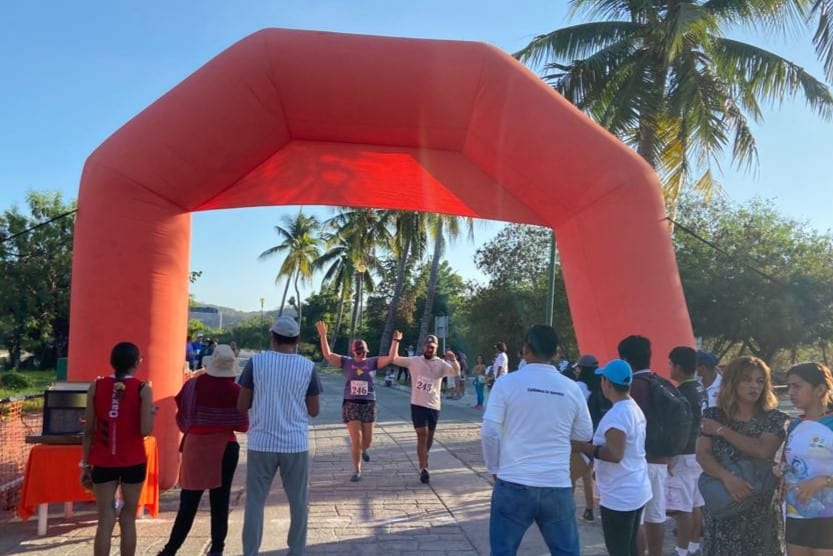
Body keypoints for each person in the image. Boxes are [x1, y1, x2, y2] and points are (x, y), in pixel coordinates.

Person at [482, 324, 593, 556]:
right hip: (557, 484)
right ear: (556, 354)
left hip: (513, 480)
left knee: (503, 551)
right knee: (567, 551)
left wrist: (494, 467)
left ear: (526, 349)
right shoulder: (571, 388)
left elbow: (490, 431)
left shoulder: (506, 384)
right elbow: (584, 434)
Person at [238, 316, 323, 556]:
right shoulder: (307, 367)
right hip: (295, 443)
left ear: (273, 338)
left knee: (255, 501)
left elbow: (242, 404)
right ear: (296, 340)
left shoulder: (256, 363)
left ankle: (250, 552)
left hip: (261, 442)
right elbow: (314, 410)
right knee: (298, 503)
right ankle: (296, 551)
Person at [159, 345, 249, 556]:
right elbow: (243, 424)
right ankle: (217, 549)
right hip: (226, 447)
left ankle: (170, 549)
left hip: (196, 446)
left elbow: (181, 415)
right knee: (221, 500)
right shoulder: (236, 391)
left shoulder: (192, 386)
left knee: (188, 502)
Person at [697, 356, 789, 556]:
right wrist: (727, 477)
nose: (754, 386)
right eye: (747, 379)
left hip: (759, 509)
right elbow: (703, 455)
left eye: (760, 380)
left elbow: (762, 450)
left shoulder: (774, 418)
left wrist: (721, 431)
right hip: (724, 504)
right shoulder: (713, 414)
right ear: (732, 382)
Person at [80, 342, 154, 556]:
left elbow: (89, 431)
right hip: (133, 459)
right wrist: (150, 412)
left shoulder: (97, 386)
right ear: (135, 363)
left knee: (105, 519)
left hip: (102, 459)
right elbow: (145, 430)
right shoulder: (143, 388)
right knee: (128, 517)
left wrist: (85, 463)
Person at [575, 359, 651, 556]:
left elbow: (615, 454)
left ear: (607, 383)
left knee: (618, 548)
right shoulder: (632, 407)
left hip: (621, 495)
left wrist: (585, 447)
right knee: (631, 546)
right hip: (635, 486)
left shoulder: (617, 414)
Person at [315, 320, 395, 482]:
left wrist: (395, 342)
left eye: (363, 352)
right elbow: (328, 355)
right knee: (355, 438)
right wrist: (323, 336)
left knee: (367, 440)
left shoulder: (372, 362)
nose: (361, 355)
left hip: (368, 404)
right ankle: (357, 470)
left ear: (366, 352)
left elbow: (391, 358)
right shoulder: (347, 362)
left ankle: (364, 450)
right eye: (358, 352)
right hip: (351, 403)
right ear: (353, 352)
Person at [618, 335, 667, 556]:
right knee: (656, 516)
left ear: (625, 359)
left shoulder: (632, 388)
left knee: (636, 520)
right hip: (662, 461)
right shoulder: (662, 383)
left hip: (638, 463)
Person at [391, 331, 460, 484]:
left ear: (436, 348)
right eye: (428, 346)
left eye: (432, 347)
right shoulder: (414, 361)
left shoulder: (441, 364)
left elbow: (456, 372)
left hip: (434, 405)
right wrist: (396, 340)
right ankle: (423, 469)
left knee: (429, 438)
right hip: (417, 404)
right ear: (423, 347)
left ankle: (424, 456)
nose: (430, 349)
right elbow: (394, 359)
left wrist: (454, 360)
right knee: (421, 434)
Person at [782, 362, 833, 555]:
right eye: (788, 387)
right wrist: (780, 471)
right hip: (797, 515)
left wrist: (823, 480)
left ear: (820, 389)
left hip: (829, 517)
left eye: (797, 386)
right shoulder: (793, 426)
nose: (791, 392)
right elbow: (789, 465)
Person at [665, 347, 707, 556]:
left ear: (678, 367)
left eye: (670, 364)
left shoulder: (681, 393)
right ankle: (694, 546)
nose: (669, 368)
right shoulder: (700, 388)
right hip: (698, 452)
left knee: (683, 509)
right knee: (695, 504)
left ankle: (682, 551)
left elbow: (681, 427)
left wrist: (672, 454)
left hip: (684, 455)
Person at [574, 353, 601, 521]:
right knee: (586, 474)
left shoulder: (577, 387)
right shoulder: (601, 386)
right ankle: (589, 508)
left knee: (569, 476)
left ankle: (564, 511)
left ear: (581, 369)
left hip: (578, 438)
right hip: (596, 437)